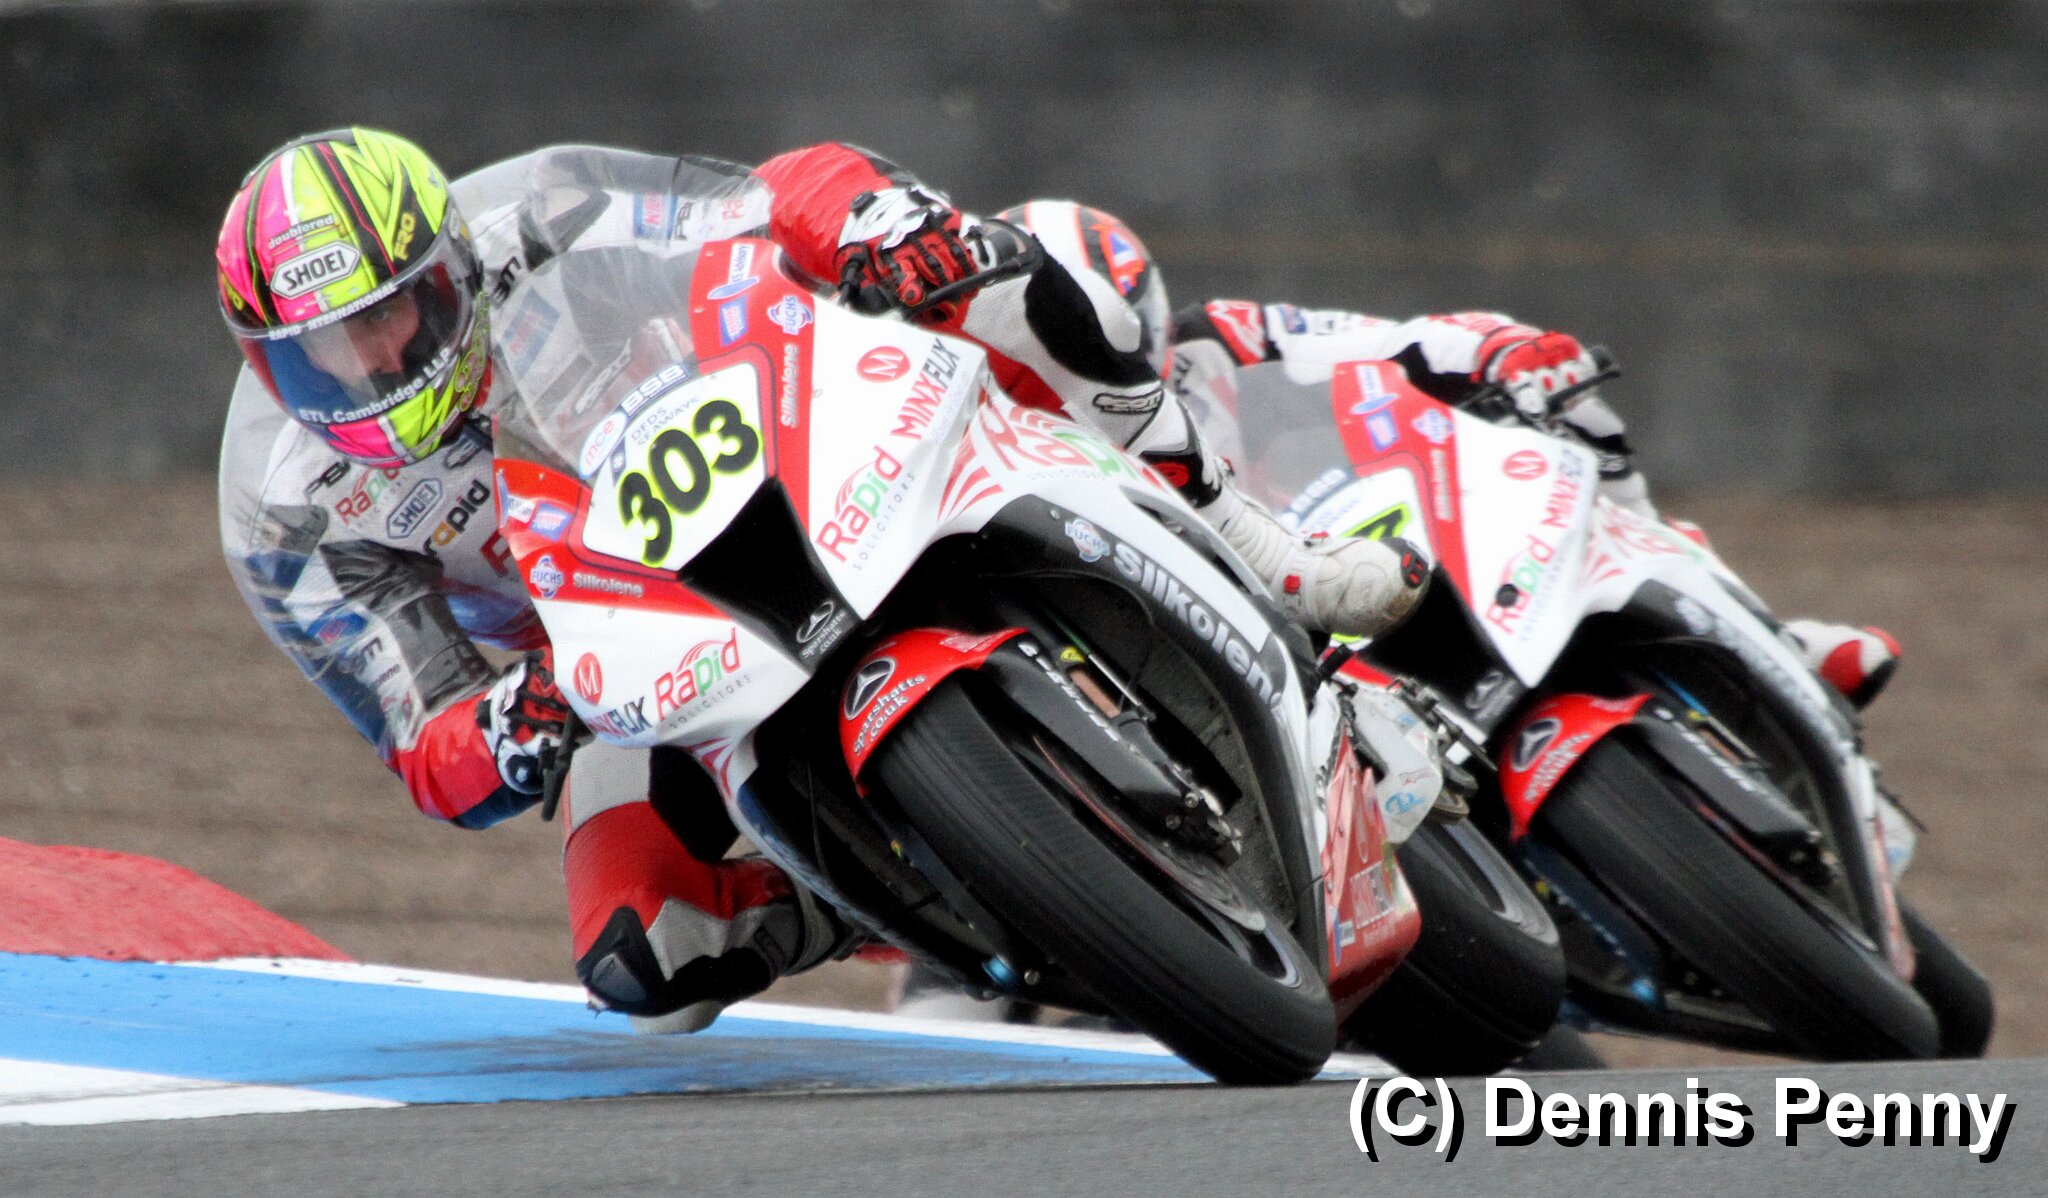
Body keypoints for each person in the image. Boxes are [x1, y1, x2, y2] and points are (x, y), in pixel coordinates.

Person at [214, 130, 1426, 1034]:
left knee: (1014, 277)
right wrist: (509, 725)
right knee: (644, 963)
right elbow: (422, 733)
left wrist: (872, 225)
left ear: (447, 264)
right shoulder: (290, 511)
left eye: (395, 313)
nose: (372, 363)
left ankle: (1250, 540)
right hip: (623, 650)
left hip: (776, 446)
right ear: (269, 365)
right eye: (323, 351)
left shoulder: (541, 221)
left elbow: (765, 197)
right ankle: (893, 879)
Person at [995, 199, 1898, 709]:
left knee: (1570, 422)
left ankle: (1767, 637)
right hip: (1218, 647)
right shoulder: (1018, 447)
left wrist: (1501, 350)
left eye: (1110, 322)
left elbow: (1391, 343)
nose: (1093, 350)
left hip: (1357, 541)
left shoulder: (1220, 337)